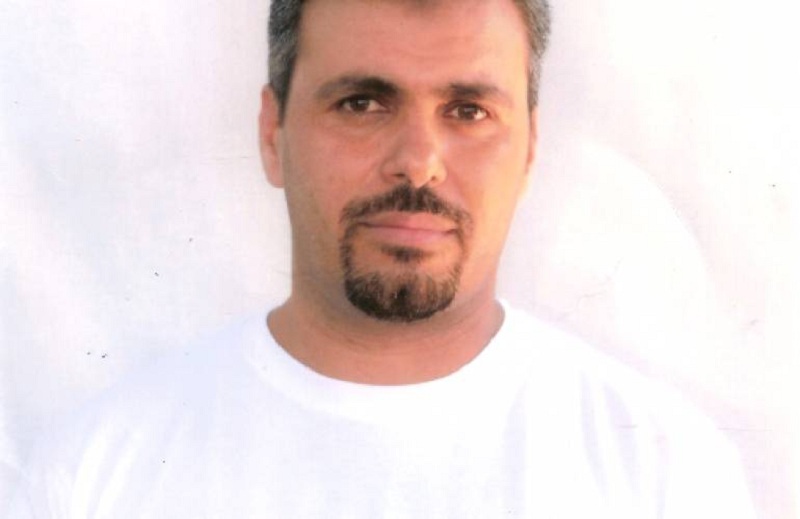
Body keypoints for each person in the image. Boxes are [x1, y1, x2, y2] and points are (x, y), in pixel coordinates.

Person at [11, 0, 757, 517]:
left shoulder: (666, 473)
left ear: (530, 148)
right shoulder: (97, 476)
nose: (418, 161)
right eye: (363, 103)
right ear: (272, 133)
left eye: (468, 111)